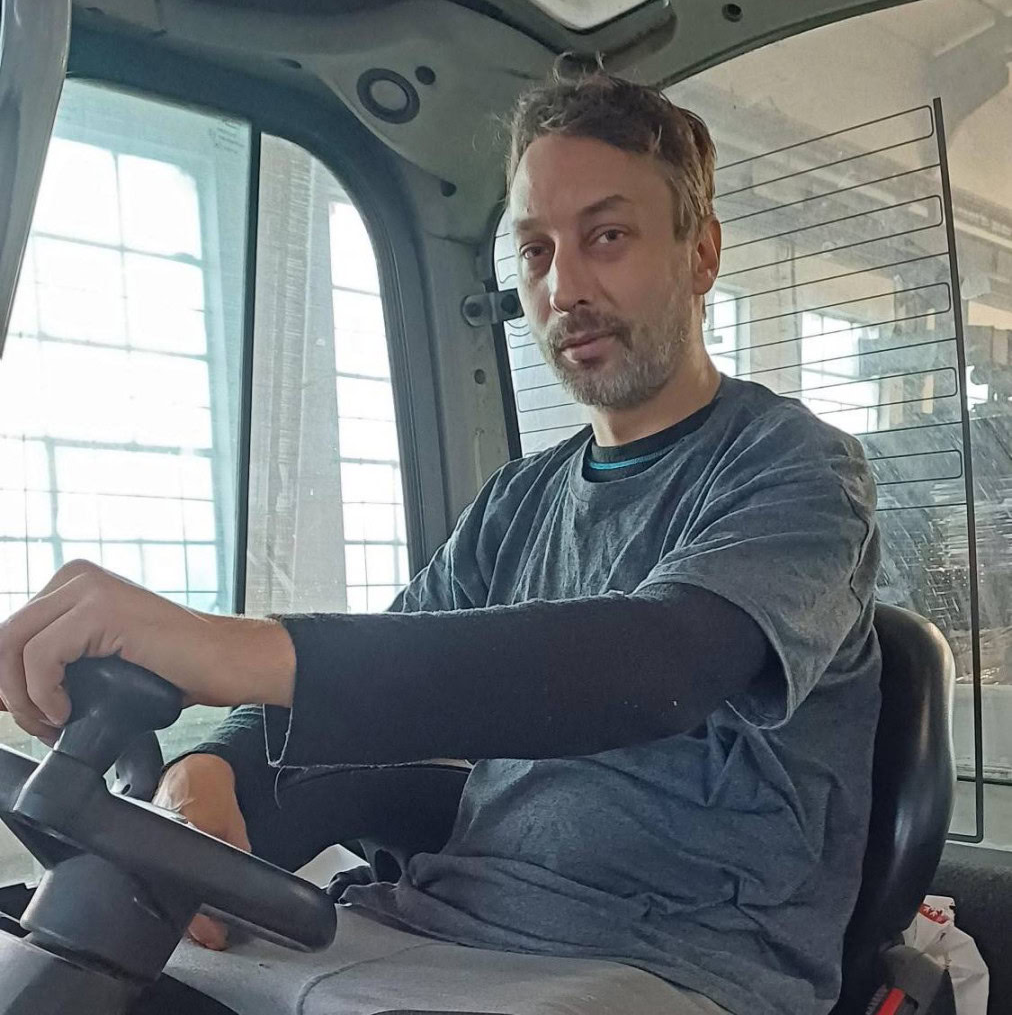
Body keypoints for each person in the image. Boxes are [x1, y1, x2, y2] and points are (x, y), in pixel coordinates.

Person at [0, 66, 881, 1015]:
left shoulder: (796, 469)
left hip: (667, 963)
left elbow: (654, 665)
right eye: (536, 250)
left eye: (608, 237)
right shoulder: (517, 504)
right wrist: (213, 765)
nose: (565, 286)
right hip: (430, 926)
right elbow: (376, 697)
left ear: (701, 253)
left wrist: (229, 646)